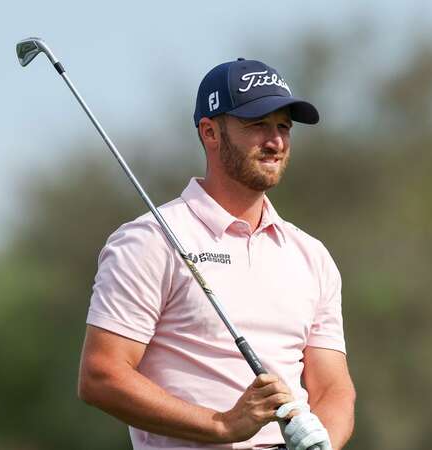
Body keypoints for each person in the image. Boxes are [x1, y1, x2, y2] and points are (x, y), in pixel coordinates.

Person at [78, 57, 355, 450]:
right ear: (210, 132)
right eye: (258, 124)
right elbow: (101, 376)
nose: (275, 141)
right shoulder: (149, 240)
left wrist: (324, 440)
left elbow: (333, 388)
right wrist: (222, 425)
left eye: (283, 127)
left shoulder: (311, 255)